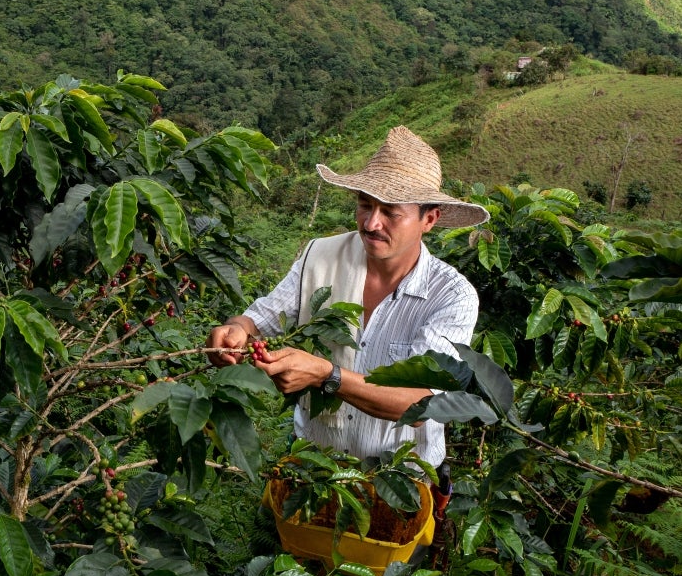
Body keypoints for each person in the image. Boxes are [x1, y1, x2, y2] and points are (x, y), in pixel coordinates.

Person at [207, 126, 489, 467]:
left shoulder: (451, 297)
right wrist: (236, 329)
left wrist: (328, 375)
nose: (371, 224)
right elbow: (259, 320)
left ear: (428, 219)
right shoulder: (320, 257)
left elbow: (420, 404)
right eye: (365, 206)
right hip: (315, 466)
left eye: (391, 213)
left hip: (401, 477)